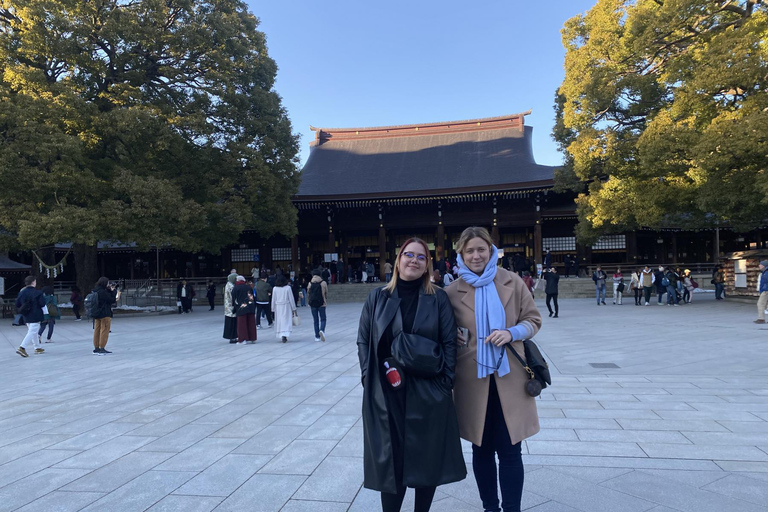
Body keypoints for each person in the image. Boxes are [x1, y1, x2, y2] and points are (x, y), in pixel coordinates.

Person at [358, 237, 466, 512]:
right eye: (409, 254)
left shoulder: (438, 297)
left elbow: (449, 342)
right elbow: (363, 341)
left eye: (421, 257)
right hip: (387, 390)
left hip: (428, 388)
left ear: (427, 264)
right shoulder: (378, 297)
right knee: (391, 457)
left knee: (426, 456)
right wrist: (367, 376)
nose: (414, 261)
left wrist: (446, 382)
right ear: (398, 259)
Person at [445, 226, 542, 512]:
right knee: (481, 449)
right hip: (473, 381)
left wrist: (511, 332)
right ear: (461, 254)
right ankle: (490, 507)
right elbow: (443, 330)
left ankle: (512, 508)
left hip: (509, 377)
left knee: (511, 450)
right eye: (469, 250)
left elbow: (533, 320)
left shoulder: (512, 282)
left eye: (481, 249)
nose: (476, 256)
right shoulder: (451, 291)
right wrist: (454, 334)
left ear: (491, 252)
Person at [14, 276, 46, 357]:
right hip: (36, 314)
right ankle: (22, 347)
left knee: (33, 331)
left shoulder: (21, 292)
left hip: (26, 314)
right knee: (32, 332)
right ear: (33, 282)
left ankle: (37, 347)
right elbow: (42, 303)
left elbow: (17, 304)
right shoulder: (38, 293)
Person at [91, 277, 119, 355]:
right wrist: (114, 291)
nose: (108, 284)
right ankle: (102, 347)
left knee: (97, 330)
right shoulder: (102, 292)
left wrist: (109, 290)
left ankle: (96, 347)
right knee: (105, 330)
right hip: (105, 313)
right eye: (107, 283)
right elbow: (112, 300)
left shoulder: (95, 290)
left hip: (96, 313)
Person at [271, 274, 297, 343]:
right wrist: (294, 308)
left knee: (279, 321)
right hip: (286, 306)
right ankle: (285, 334)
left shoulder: (275, 288)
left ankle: (281, 334)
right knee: (286, 320)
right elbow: (291, 298)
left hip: (278, 306)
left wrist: (273, 308)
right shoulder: (288, 288)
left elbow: (273, 299)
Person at [232, 276, 257, 344]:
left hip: (241, 307)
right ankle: (252, 338)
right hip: (250, 306)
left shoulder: (235, 288)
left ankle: (243, 339)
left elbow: (234, 299)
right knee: (251, 323)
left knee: (241, 324)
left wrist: (235, 307)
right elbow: (251, 298)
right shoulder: (248, 287)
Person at [308, 269, 328, 342]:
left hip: (313, 303)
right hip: (322, 303)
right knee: (323, 319)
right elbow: (326, 292)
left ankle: (317, 336)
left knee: (315, 320)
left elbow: (308, 293)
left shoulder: (310, 283)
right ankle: (322, 330)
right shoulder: (323, 283)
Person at [223, 274, 238, 343]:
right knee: (232, 323)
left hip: (227, 307)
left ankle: (231, 337)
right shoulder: (231, 286)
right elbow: (233, 297)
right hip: (231, 307)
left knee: (229, 323)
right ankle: (232, 337)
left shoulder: (228, 284)